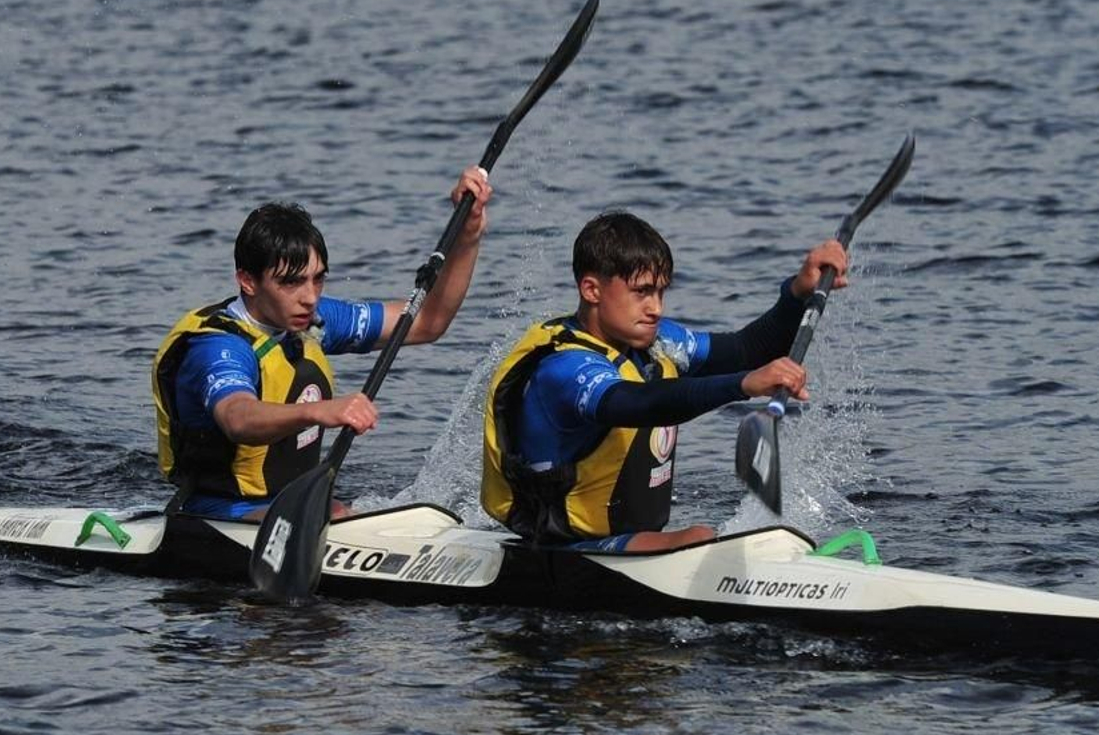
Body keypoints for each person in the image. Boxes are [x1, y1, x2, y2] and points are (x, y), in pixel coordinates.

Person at [481, 210, 848, 554]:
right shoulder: (565, 368)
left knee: (712, 538)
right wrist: (744, 385)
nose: (656, 308)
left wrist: (797, 293)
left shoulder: (657, 342)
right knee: (700, 538)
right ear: (592, 290)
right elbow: (639, 403)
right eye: (641, 292)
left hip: (622, 539)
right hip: (561, 549)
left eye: (661, 292)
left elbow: (744, 349)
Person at [154, 167, 492, 521]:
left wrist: (468, 234)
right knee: (334, 514)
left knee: (344, 512)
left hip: (290, 503)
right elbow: (237, 417)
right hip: (218, 513)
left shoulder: (312, 319)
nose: (309, 297)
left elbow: (427, 323)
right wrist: (320, 411)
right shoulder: (217, 347)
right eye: (291, 282)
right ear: (248, 281)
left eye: (317, 279)